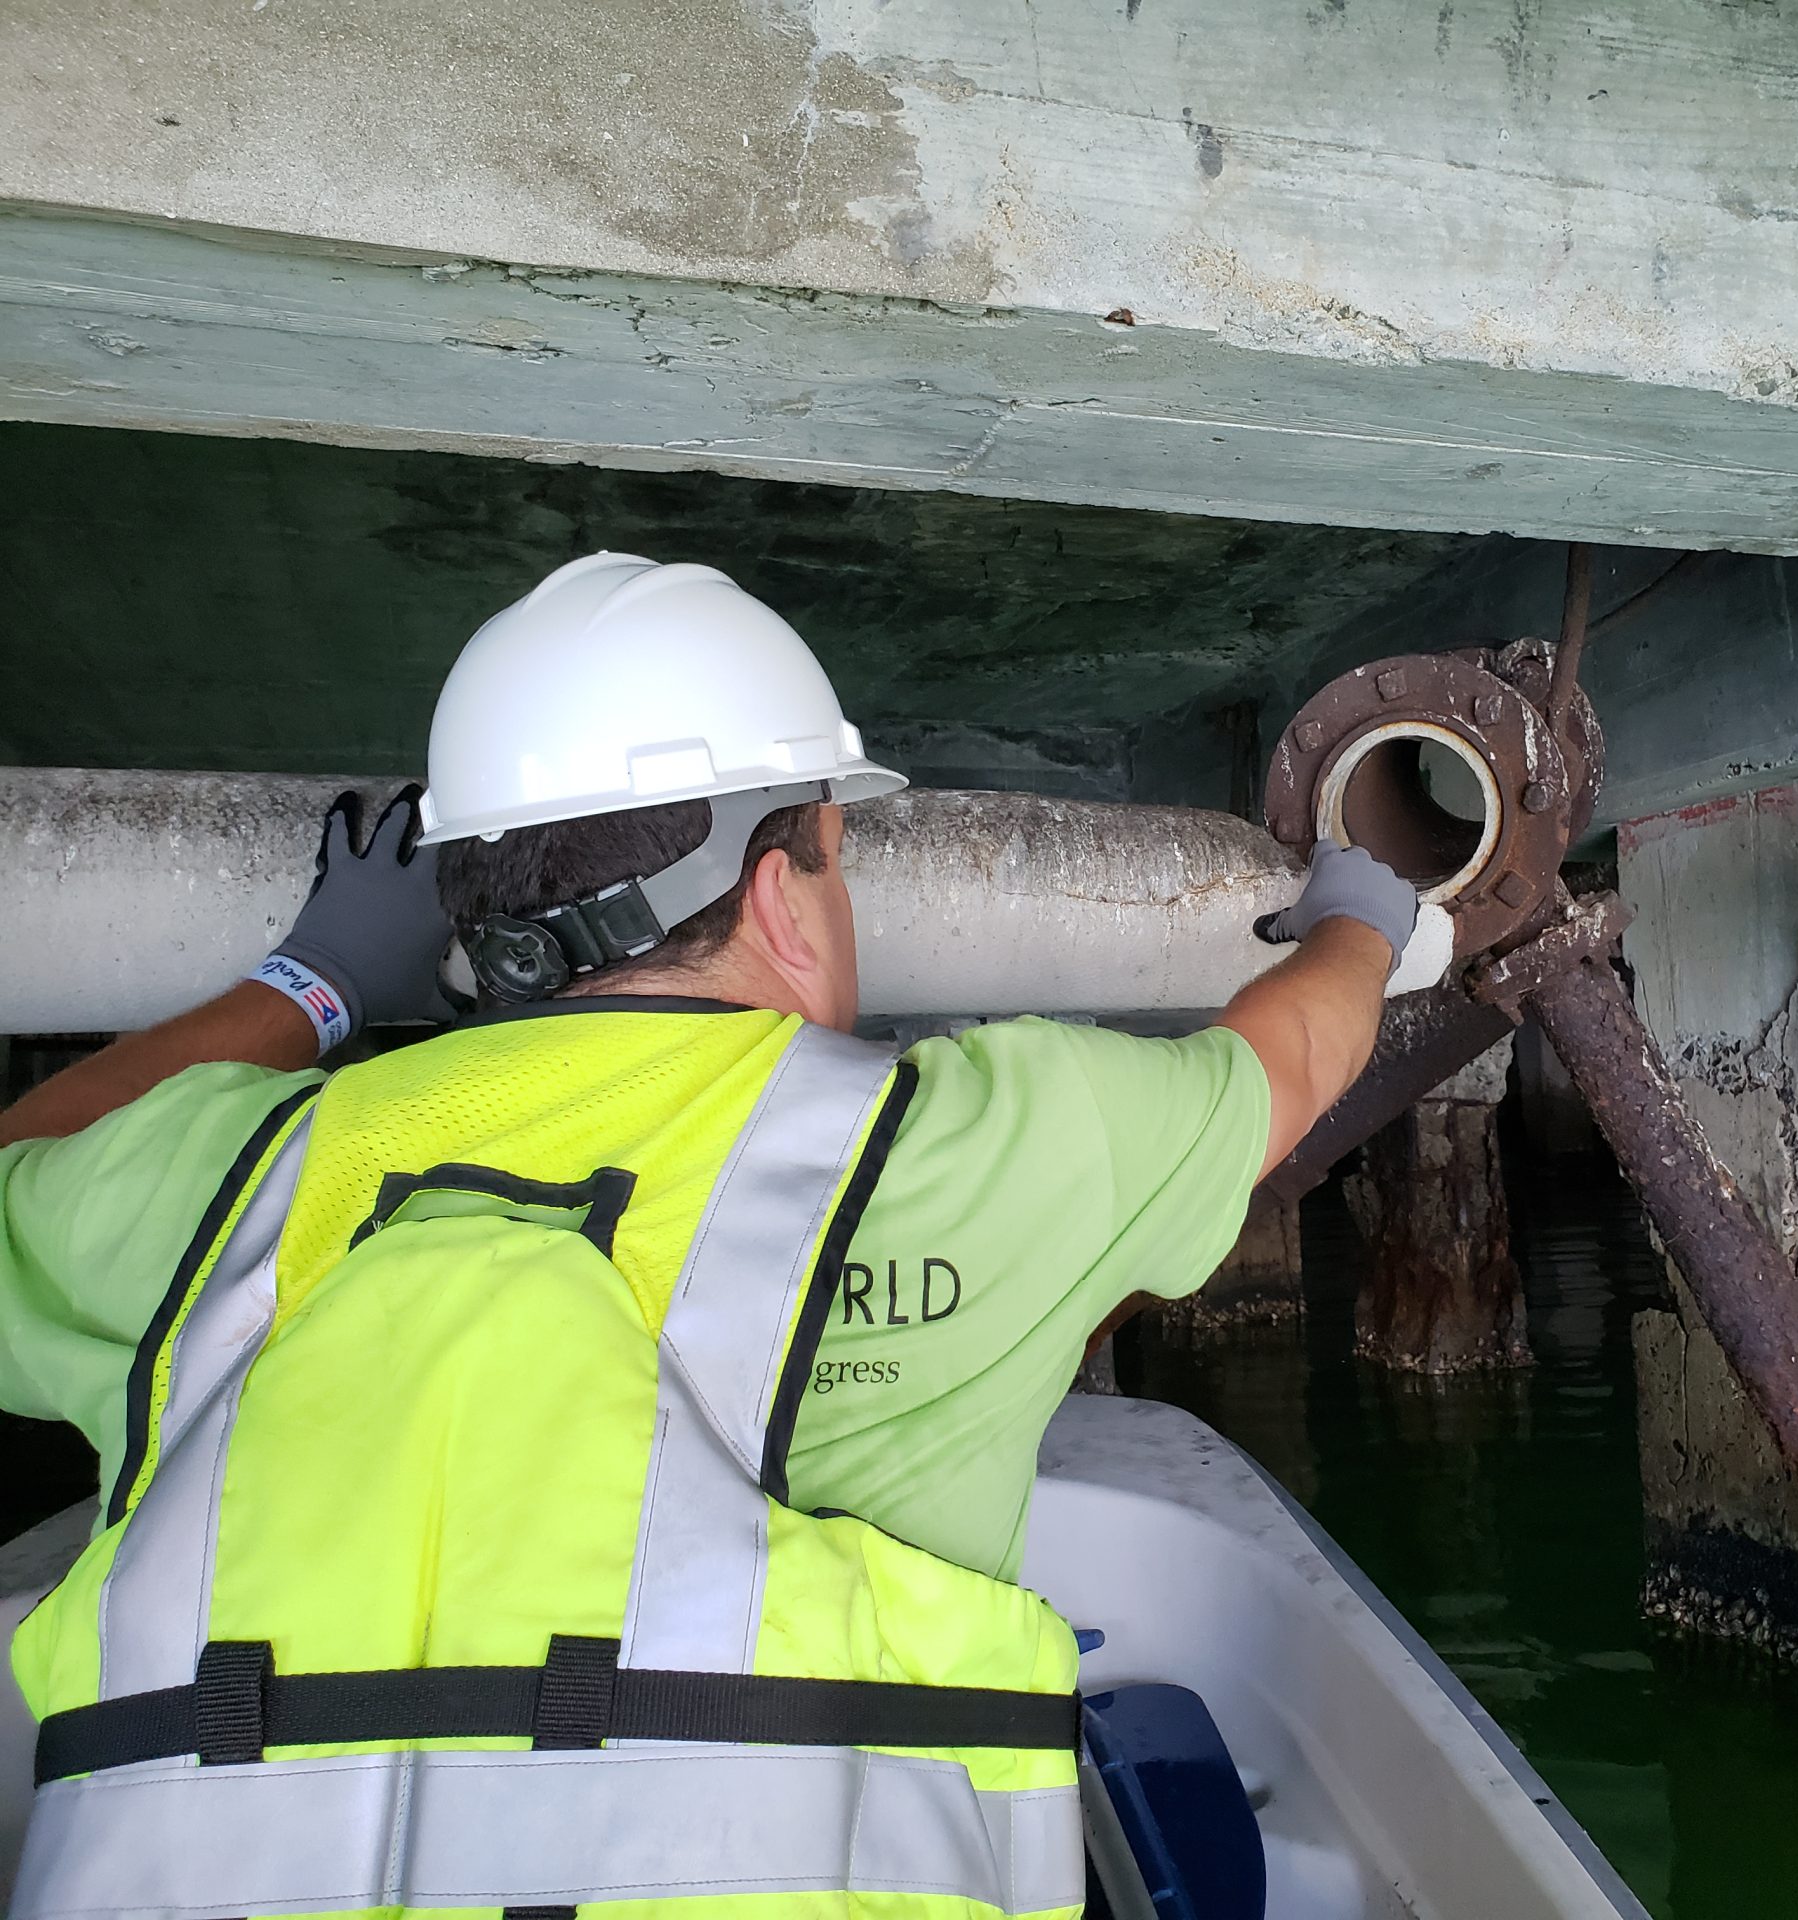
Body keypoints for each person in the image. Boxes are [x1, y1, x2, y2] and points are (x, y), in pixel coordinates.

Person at [0, 552, 1421, 1919]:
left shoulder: (240, 1178)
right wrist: (1365, 915)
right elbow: (1286, 1066)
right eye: (839, 860)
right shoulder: (955, 1149)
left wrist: (311, 983)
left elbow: (23, 1160)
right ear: (779, 895)